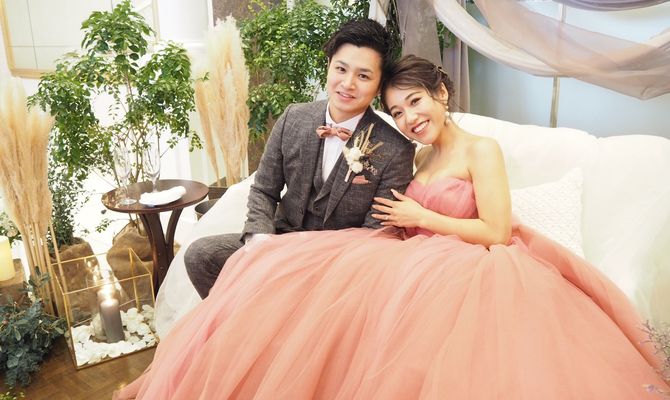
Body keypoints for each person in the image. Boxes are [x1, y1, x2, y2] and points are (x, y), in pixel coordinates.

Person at [115, 55, 669, 399]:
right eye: (398, 112)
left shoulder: (482, 149)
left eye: (415, 103)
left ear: (441, 94)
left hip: (467, 262)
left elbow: (497, 231)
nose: (409, 119)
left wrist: (421, 217)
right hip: (403, 253)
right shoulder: (414, 155)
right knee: (296, 285)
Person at [183, 19, 415, 298]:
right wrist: (260, 241)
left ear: (379, 86)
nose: (347, 84)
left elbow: (375, 233)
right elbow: (264, 189)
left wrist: (311, 259)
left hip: (338, 261)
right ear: (328, 66)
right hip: (279, 241)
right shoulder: (293, 117)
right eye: (341, 69)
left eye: (363, 76)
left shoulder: (395, 149)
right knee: (201, 255)